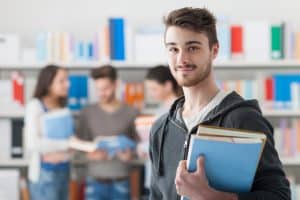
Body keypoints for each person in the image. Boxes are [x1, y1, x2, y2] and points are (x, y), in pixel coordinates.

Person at [149, 7, 291, 200]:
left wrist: (211, 196)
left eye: (192, 47)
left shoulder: (242, 119)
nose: (181, 59)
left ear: (214, 51)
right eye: (173, 49)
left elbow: (279, 196)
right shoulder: (160, 128)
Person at [76, 65, 139, 200]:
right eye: (98, 89)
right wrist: (90, 155)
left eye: (105, 89)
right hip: (94, 182)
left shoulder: (131, 112)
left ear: (116, 84)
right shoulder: (87, 112)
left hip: (122, 181)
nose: (101, 93)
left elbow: (141, 147)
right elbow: (77, 147)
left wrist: (131, 154)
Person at [24, 65, 72, 200]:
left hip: (64, 171)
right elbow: (32, 143)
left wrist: (73, 145)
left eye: (67, 80)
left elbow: (68, 141)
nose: (67, 84)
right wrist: (67, 144)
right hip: (45, 174)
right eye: (62, 81)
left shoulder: (63, 107)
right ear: (48, 82)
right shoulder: (35, 106)